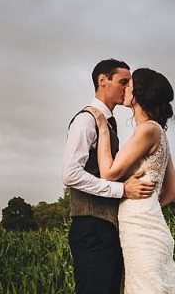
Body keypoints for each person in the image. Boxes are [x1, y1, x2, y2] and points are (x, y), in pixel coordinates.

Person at [87, 67, 175, 293]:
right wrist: (146, 205)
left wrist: (103, 129)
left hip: (139, 229)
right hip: (151, 223)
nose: (125, 88)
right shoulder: (159, 131)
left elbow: (109, 173)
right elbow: (173, 192)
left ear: (139, 93)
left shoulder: (147, 130)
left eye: (129, 85)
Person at [63, 59, 156, 294]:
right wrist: (122, 190)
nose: (128, 89)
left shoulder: (109, 124)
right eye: (123, 82)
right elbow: (71, 174)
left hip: (108, 228)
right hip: (91, 228)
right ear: (102, 80)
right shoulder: (86, 120)